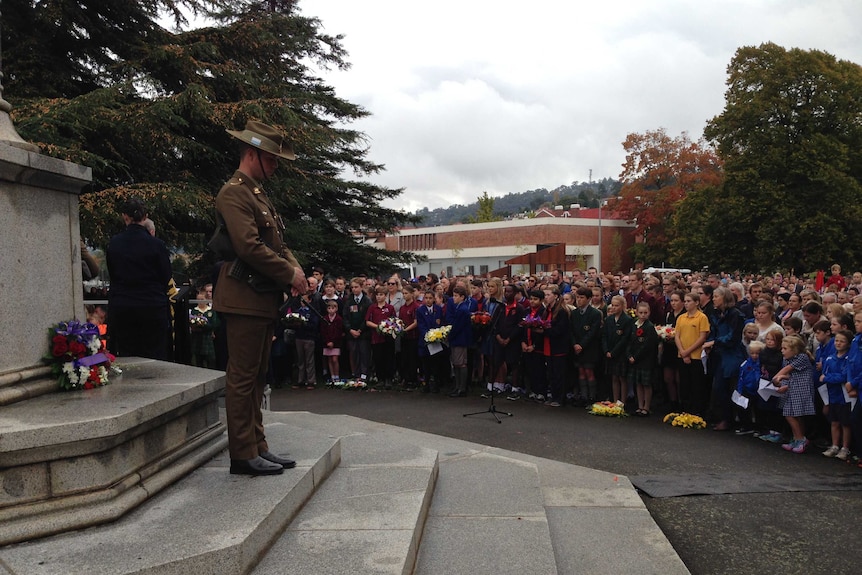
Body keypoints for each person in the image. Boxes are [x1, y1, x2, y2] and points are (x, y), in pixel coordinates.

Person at [213, 120, 306, 476]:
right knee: (242, 377)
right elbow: (249, 247)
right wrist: (289, 275)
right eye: (272, 159)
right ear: (253, 154)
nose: (276, 166)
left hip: (258, 299)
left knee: (256, 378)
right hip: (243, 298)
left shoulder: (256, 194)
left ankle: (257, 445)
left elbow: (278, 245)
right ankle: (242, 453)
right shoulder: (234, 192)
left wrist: (296, 273)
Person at [106, 197, 173, 360]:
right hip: (152, 306)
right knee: (155, 355)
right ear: (145, 217)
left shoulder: (114, 244)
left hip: (124, 307)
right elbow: (166, 276)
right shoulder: (157, 245)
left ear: (125, 216)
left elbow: (113, 273)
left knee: (128, 355)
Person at [702, 286, 746, 431]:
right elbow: (713, 331)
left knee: (727, 387)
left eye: (716, 296)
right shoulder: (715, 313)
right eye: (713, 296)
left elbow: (733, 337)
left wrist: (715, 342)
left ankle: (729, 419)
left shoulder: (736, 315)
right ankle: (721, 417)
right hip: (718, 354)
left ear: (725, 298)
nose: (714, 299)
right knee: (717, 388)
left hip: (732, 355)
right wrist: (710, 343)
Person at [772, 334, 817, 453]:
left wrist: (776, 380)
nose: (782, 351)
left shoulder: (801, 357)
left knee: (790, 414)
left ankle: (800, 439)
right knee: (794, 414)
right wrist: (781, 384)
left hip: (801, 389)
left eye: (785, 348)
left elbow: (784, 372)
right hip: (791, 388)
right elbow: (787, 376)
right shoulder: (787, 359)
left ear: (795, 349)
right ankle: (796, 438)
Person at [820, 329, 852, 460]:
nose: (838, 343)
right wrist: (829, 378)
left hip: (844, 395)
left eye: (842, 341)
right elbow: (823, 375)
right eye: (837, 341)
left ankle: (845, 448)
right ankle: (834, 445)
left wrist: (828, 378)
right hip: (832, 394)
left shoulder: (848, 359)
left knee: (845, 423)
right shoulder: (830, 358)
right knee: (834, 422)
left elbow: (843, 377)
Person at [571, 286, 603, 405]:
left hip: (589, 348)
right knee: (581, 371)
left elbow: (593, 332)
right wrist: (574, 344)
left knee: (589, 371)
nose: (579, 300)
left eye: (582, 297)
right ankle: (583, 396)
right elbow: (571, 331)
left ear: (589, 299)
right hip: (577, 347)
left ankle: (592, 396)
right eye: (578, 297)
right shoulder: (574, 313)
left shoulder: (595, 313)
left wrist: (581, 345)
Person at [627, 301, 660, 416]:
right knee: (638, 383)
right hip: (634, 359)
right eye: (640, 312)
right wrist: (629, 355)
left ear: (649, 313)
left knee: (646, 384)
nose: (643, 315)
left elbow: (647, 346)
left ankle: (646, 407)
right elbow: (629, 341)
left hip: (645, 360)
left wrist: (635, 357)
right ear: (636, 312)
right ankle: (640, 405)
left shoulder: (649, 327)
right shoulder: (634, 324)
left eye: (645, 312)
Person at [603, 295, 633, 404]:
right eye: (613, 305)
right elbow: (604, 336)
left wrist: (614, 352)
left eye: (617, 305)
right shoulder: (609, 319)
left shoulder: (627, 320)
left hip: (620, 353)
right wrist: (606, 350)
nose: (614, 308)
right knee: (614, 377)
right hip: (609, 352)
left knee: (622, 378)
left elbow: (625, 339)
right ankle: (615, 400)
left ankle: (622, 402)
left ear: (622, 306)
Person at [365, 286, 397, 389]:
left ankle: (389, 378)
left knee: (389, 357)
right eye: (377, 295)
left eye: (381, 295)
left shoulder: (390, 308)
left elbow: (394, 321)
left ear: (385, 295)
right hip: (376, 337)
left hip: (388, 338)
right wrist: (379, 327)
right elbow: (368, 321)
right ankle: (380, 378)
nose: (379, 297)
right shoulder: (372, 307)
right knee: (378, 358)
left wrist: (387, 328)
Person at [343, 277, 372, 383]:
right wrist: (350, 329)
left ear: (361, 287)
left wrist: (360, 330)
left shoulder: (367, 301)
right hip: (351, 332)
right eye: (352, 287)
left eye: (356, 287)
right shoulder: (348, 300)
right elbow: (345, 316)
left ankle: (364, 374)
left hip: (363, 333)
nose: (354, 289)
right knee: (354, 353)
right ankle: (356, 373)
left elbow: (367, 318)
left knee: (364, 353)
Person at [446, 285, 473, 397]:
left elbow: (458, 326)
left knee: (461, 363)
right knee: (457, 363)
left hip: (460, 339)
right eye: (453, 295)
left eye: (456, 296)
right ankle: (458, 386)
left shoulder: (463, 309)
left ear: (462, 297)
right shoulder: (460, 308)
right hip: (458, 339)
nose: (454, 298)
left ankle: (461, 388)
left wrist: (450, 335)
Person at [734, 340, 764, 435]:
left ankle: (759, 428)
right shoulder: (745, 364)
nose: (755, 355)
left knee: (759, 410)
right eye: (752, 353)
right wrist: (739, 390)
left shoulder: (762, 365)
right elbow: (741, 378)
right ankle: (746, 426)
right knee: (744, 409)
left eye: (757, 353)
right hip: (746, 390)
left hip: (759, 391)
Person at [189, 284, 220, 368]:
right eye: (198, 300)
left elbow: (215, 323)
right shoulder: (194, 311)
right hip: (197, 338)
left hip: (208, 338)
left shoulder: (211, 311)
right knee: (198, 360)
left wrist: (204, 324)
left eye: (202, 300)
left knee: (211, 360)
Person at [320, 299, 344, 385]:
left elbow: (339, 332)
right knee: (329, 359)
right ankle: (332, 376)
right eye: (329, 308)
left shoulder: (339, 319)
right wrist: (327, 341)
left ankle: (337, 375)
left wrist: (333, 342)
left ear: (336, 309)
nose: (331, 310)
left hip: (336, 343)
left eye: (333, 308)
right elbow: (323, 331)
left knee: (335, 359)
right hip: (327, 343)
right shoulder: (325, 319)